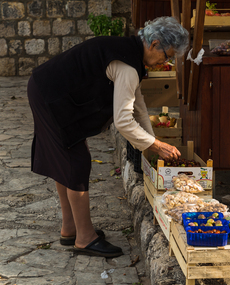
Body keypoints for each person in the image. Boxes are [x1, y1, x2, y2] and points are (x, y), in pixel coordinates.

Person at [27, 16, 189, 257]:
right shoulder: (128, 65)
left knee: (66, 160)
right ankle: (84, 238)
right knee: (76, 163)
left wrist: (152, 142)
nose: (165, 62)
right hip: (51, 95)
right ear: (154, 44)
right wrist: (154, 144)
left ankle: (70, 229)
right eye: (167, 56)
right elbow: (124, 121)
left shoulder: (130, 53)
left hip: (47, 89)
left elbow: (138, 105)